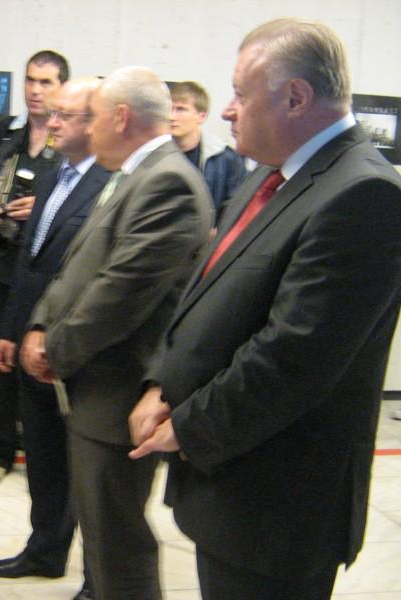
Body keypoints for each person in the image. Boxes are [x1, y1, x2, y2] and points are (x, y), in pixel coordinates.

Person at [130, 18, 401, 600]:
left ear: (296, 97)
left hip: (278, 508)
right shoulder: (270, 176)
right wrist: (163, 384)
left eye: (240, 93)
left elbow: (292, 358)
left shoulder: (364, 194)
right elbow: (208, 294)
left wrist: (187, 425)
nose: (228, 110)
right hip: (228, 481)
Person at [20, 66, 212, 600]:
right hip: (95, 387)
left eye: (93, 117)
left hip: (117, 390)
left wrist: (55, 349)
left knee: (117, 546)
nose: (83, 129)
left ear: (121, 117)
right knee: (103, 540)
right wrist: (41, 324)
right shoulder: (133, 175)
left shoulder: (167, 182)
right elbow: (79, 266)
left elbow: (121, 292)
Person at [0, 77, 109, 600]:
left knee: (91, 474)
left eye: (63, 115)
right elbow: (29, 262)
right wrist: (12, 330)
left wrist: (57, 339)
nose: (50, 123)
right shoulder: (56, 173)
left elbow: (100, 276)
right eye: (51, 113)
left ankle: (99, 580)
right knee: (44, 459)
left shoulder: (113, 183)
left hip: (77, 351)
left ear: (96, 122)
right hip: (32, 340)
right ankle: (45, 550)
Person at [0, 49, 67, 487]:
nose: (35, 90)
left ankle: (46, 456)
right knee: (0, 364)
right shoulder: (4, 134)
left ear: (62, 87)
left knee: (44, 367)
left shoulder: (72, 137)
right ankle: (0, 451)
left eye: (46, 82)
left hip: (51, 273)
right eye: (30, 80)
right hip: (3, 267)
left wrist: (43, 206)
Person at [169, 81, 246, 220]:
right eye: (169, 109)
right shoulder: (153, 153)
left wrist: (219, 228)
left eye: (181, 109)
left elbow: (235, 205)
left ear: (202, 116)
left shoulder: (226, 158)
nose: (171, 117)